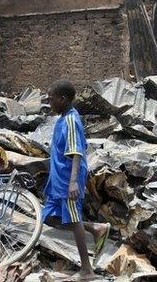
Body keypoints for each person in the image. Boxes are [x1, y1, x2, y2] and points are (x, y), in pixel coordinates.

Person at [43, 79, 110, 280]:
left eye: (51, 99)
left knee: (73, 218)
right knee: (50, 217)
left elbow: (76, 153)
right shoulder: (62, 119)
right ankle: (95, 228)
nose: (49, 102)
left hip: (68, 179)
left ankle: (87, 270)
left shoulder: (71, 120)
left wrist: (73, 182)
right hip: (58, 179)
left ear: (63, 99)